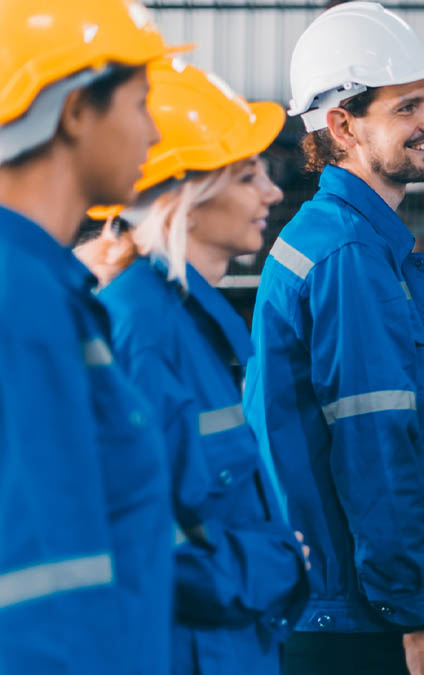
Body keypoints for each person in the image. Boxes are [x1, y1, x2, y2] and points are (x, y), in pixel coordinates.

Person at [242, 3, 424, 673]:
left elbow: (340, 428)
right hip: (354, 615)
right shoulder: (351, 256)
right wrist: (416, 615)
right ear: (341, 124)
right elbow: (375, 445)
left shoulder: (335, 237)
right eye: (407, 107)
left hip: (324, 599)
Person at [86, 58, 311, 675]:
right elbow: (139, 530)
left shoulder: (185, 321)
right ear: (185, 199)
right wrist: (276, 563)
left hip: (225, 643)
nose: (272, 192)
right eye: (247, 176)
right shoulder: (143, 329)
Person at [0, 1, 183, 671]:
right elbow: (41, 586)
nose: (155, 132)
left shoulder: (42, 287)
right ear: (76, 110)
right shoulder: (21, 300)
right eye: (140, 104)